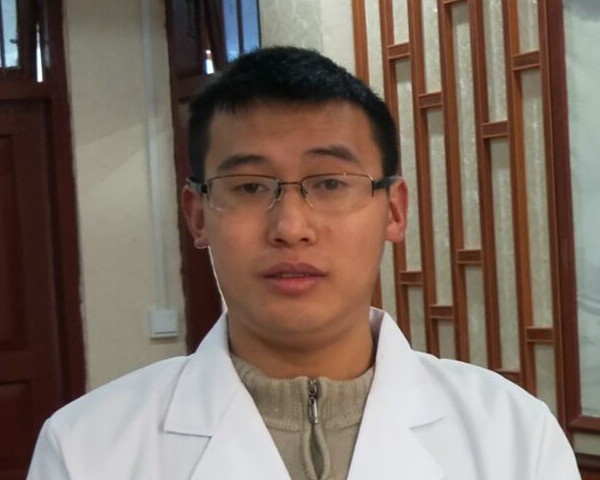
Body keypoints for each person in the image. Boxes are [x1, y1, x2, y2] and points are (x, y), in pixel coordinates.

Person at [27, 46, 580, 480]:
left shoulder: (513, 436)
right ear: (197, 217)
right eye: (249, 186)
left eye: (331, 183)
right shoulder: (87, 448)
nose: (291, 227)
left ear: (393, 211)